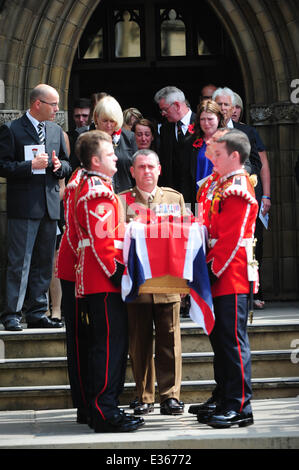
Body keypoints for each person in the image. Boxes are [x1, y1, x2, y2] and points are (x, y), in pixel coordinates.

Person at [68, 130, 144, 433]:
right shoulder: (98, 191)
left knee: (109, 345)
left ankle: (105, 406)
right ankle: (104, 410)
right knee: (110, 347)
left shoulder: (93, 185)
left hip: (97, 277)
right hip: (103, 279)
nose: (116, 156)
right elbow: (102, 243)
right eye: (110, 153)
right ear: (96, 160)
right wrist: (120, 274)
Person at [194, 129, 259, 429]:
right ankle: (225, 395)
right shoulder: (219, 185)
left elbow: (231, 237)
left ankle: (240, 404)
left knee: (233, 341)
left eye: (217, 154)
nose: (212, 159)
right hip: (218, 271)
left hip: (230, 273)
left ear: (235, 156)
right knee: (220, 341)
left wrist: (210, 268)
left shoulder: (237, 185)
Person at [119, 149, 185, 416]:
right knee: (140, 342)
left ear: (159, 170)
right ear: (132, 171)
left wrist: (185, 282)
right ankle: (144, 396)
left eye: (151, 167)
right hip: (138, 285)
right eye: (141, 167)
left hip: (168, 282)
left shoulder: (174, 198)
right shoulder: (121, 201)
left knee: (170, 341)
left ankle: (171, 396)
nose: (147, 171)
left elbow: (183, 242)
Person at [0, 83, 71, 331]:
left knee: (43, 263)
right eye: (53, 105)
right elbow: (3, 166)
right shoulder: (12, 130)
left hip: (50, 206)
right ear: (37, 104)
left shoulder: (55, 130)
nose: (57, 109)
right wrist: (29, 166)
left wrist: (58, 166)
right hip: (24, 206)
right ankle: (12, 313)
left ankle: (38, 311)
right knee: (20, 262)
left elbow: (66, 164)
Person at [232, 92, 271, 309]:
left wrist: (266, 195)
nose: (232, 110)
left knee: (253, 243)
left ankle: (256, 289)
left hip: (249, 196)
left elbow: (261, 164)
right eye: (226, 105)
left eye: (236, 106)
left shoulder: (248, 131)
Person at [183, 99, 226, 208]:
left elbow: (246, 165)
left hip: (223, 198)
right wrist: (187, 207)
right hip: (198, 201)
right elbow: (185, 177)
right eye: (202, 119)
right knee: (200, 224)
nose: (206, 123)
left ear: (219, 118)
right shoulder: (190, 142)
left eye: (210, 119)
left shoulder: (230, 139)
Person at [154, 86, 196, 194]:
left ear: (177, 105)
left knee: (196, 211)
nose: (163, 113)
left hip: (196, 192)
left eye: (165, 109)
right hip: (173, 194)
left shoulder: (201, 124)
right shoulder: (165, 129)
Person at [212, 87, 262, 177]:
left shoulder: (247, 131)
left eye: (226, 104)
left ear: (232, 108)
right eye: (219, 104)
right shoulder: (207, 131)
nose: (223, 108)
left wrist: (241, 173)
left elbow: (256, 164)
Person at [93, 95, 138, 193]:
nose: (109, 125)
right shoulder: (89, 139)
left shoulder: (129, 138)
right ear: (97, 118)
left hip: (126, 196)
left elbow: (137, 170)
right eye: (105, 121)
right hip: (98, 195)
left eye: (112, 121)